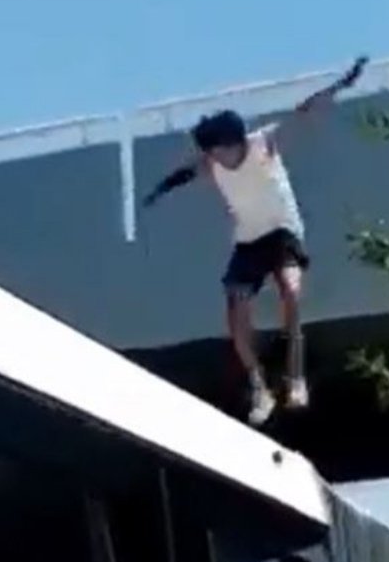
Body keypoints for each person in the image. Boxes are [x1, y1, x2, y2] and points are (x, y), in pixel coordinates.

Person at [141, 56, 366, 426]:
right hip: (248, 240)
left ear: (233, 143)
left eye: (217, 151)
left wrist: (342, 84)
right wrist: (159, 191)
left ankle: (295, 378)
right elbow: (185, 173)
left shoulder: (265, 143)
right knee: (235, 312)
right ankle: (260, 389)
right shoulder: (212, 163)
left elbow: (305, 113)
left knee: (290, 292)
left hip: (282, 231)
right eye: (209, 154)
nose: (214, 160)